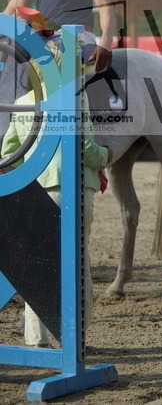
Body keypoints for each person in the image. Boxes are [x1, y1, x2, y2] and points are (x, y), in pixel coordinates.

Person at [3, 89, 109, 347]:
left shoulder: (23, 101)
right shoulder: (77, 97)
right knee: (77, 264)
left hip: (36, 190)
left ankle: (36, 338)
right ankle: (75, 341)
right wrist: (107, 155)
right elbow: (86, 148)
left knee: (35, 264)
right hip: (72, 187)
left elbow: (10, 150)